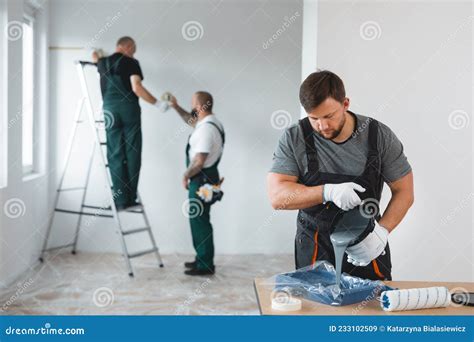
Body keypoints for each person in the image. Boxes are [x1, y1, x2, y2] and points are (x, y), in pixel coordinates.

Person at [267, 70, 414, 280]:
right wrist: (327, 192)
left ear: (345, 104)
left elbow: (405, 192)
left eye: (329, 116)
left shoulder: (378, 136)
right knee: (316, 307)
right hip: (315, 243)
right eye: (314, 118)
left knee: (371, 308)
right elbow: (277, 197)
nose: (322, 126)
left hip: (366, 241)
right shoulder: (295, 137)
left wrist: (382, 232)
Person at [93, 36, 165, 211]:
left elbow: (95, 55)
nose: (134, 53)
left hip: (109, 111)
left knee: (115, 153)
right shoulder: (132, 63)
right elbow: (137, 88)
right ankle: (130, 197)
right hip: (128, 110)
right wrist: (157, 103)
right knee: (132, 151)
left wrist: (100, 55)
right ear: (126, 46)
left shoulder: (102, 62)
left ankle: (120, 200)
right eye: (133, 49)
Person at [169, 92, 225, 276]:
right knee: (198, 219)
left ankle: (205, 264)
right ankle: (201, 258)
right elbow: (192, 121)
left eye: (193, 104)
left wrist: (185, 175)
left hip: (201, 179)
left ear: (199, 107)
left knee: (199, 221)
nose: (191, 107)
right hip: (205, 178)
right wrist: (176, 106)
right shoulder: (209, 122)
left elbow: (199, 161)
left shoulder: (206, 130)